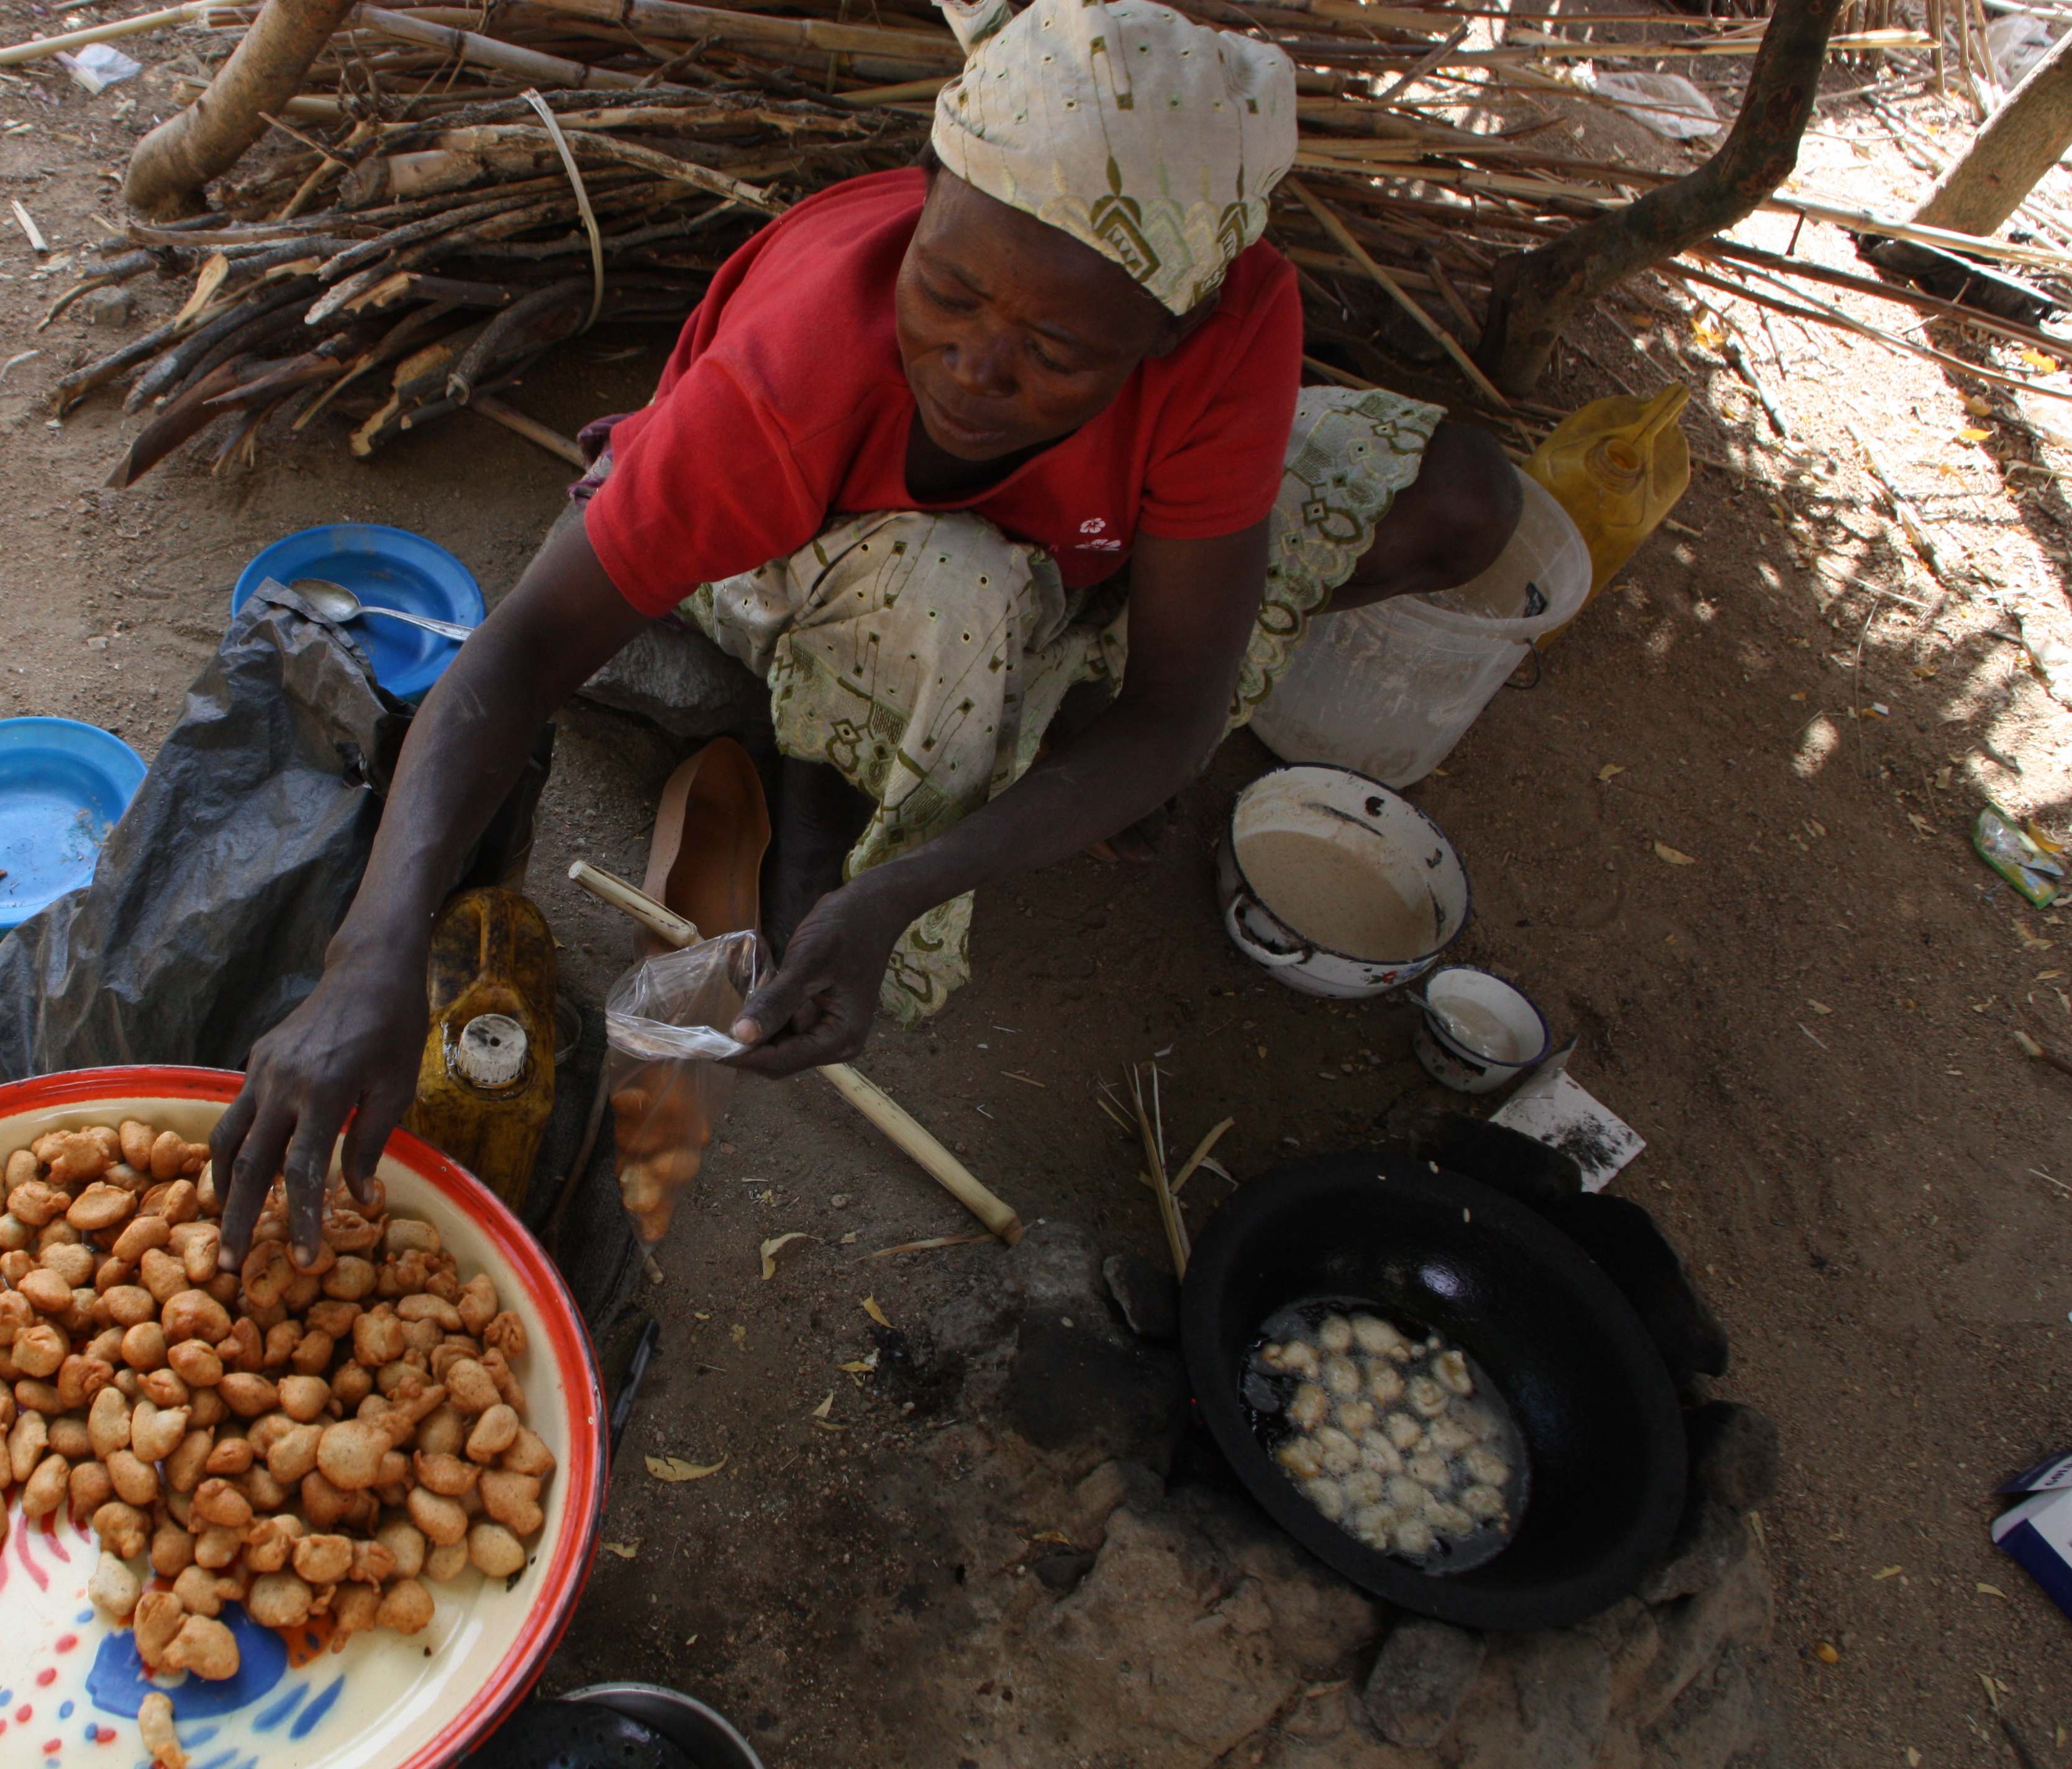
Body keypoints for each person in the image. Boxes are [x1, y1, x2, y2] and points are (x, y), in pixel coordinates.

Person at [213, 0, 1519, 1259]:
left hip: (1080, 554)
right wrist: (370, 950)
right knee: (950, 589)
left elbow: (1180, 711)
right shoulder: (797, 378)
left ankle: (1017, 736)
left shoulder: (1233, 325)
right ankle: (827, 788)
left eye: (1055, 349)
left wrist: (903, 894)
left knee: (1457, 499)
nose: (973, 365)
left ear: (1171, 327)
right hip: (819, 565)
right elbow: (515, 658)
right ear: (927, 207)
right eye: (944, 291)